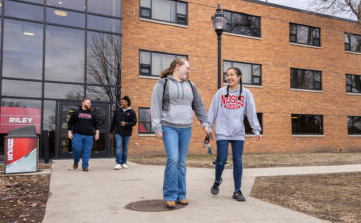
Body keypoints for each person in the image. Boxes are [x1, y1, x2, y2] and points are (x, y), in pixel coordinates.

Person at [151, 58, 209, 208]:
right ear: (177, 67)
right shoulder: (162, 84)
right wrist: (156, 127)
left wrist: (205, 123)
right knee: (173, 159)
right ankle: (170, 195)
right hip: (168, 126)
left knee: (182, 163)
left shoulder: (191, 85)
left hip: (186, 128)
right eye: (187, 68)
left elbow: (199, 105)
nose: (189, 72)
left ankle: (181, 194)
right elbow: (155, 106)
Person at [207, 67, 261, 201]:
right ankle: (218, 180)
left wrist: (256, 129)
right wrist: (208, 125)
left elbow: (251, 112)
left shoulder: (246, 94)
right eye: (227, 75)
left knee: (238, 161)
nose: (229, 77)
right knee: (221, 160)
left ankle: (237, 191)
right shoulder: (220, 93)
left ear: (239, 77)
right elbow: (213, 110)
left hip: (238, 132)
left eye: (232, 75)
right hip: (222, 131)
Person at [68, 98, 99, 172]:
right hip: (77, 135)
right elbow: (70, 123)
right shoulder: (76, 112)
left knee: (87, 151)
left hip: (89, 136)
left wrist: (97, 133)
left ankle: (85, 166)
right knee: (76, 149)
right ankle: (76, 161)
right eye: (88, 102)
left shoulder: (92, 114)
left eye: (90, 103)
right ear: (83, 103)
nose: (89, 104)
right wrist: (69, 132)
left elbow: (96, 125)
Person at [110, 96, 137, 170]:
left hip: (127, 133)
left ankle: (124, 162)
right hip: (118, 132)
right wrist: (111, 131)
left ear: (127, 102)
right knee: (118, 147)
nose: (121, 103)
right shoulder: (118, 110)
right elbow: (113, 121)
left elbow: (134, 122)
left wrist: (126, 123)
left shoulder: (132, 112)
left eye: (123, 101)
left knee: (125, 148)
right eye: (121, 101)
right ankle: (118, 163)